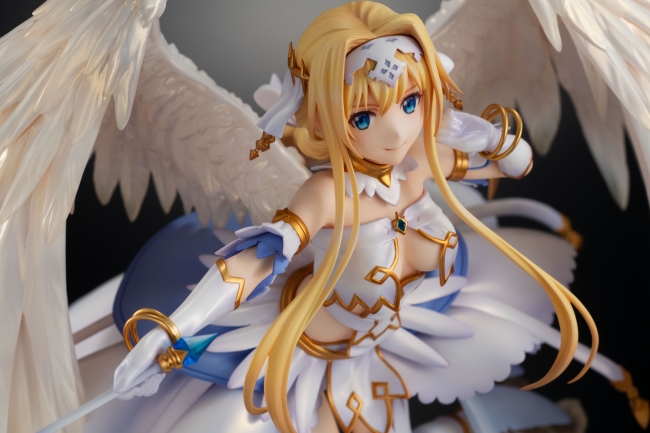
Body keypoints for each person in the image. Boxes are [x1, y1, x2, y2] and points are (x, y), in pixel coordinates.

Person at [98, 3, 615, 432]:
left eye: (410, 101)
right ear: (325, 120)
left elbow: (514, 165)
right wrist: (171, 330)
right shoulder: (328, 195)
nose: (396, 132)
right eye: (364, 116)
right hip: (316, 353)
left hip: (401, 330)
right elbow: (256, 258)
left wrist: (484, 133)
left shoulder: (419, 159)